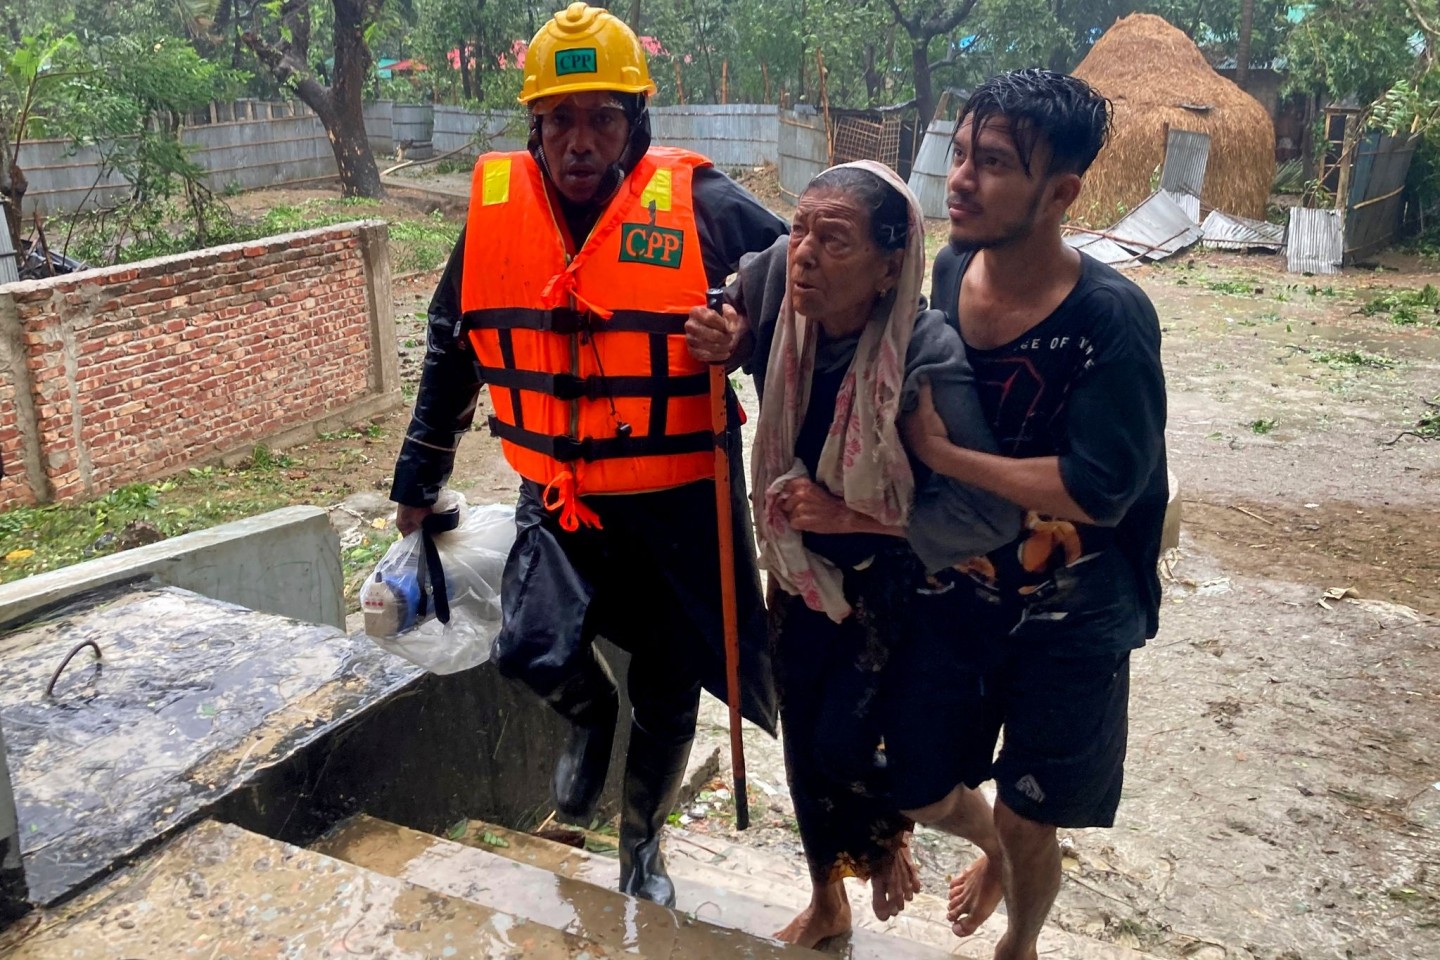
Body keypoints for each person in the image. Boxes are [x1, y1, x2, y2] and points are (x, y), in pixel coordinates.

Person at [387, 2, 788, 908]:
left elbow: (807, 297)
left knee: (670, 682)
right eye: (559, 119)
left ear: (633, 122)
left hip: (678, 501)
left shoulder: (702, 204)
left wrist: (744, 332)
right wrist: (419, 481)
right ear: (533, 127)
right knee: (532, 649)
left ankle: (642, 847)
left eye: (601, 117)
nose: (578, 141)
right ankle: (587, 714)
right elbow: (455, 342)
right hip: (561, 496)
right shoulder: (494, 215)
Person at [685, 160, 1020, 948]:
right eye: (800, 228)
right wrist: (728, 328)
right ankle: (829, 900)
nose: (803, 253)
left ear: (888, 267)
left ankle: (992, 841)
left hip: (892, 583)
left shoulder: (924, 353)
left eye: (833, 242)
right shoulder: (778, 283)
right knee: (803, 743)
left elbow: (986, 512)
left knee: (866, 753)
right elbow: (733, 295)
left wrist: (850, 518)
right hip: (797, 568)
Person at [900, 69, 1169, 960]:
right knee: (915, 781)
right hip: (963, 593)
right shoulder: (945, 268)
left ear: (1061, 193)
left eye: (996, 164)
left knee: (1029, 813)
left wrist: (944, 458)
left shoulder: (1111, 319)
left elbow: (1101, 488)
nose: (962, 180)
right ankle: (991, 845)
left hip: (1076, 611)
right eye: (963, 155)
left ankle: (1020, 942)